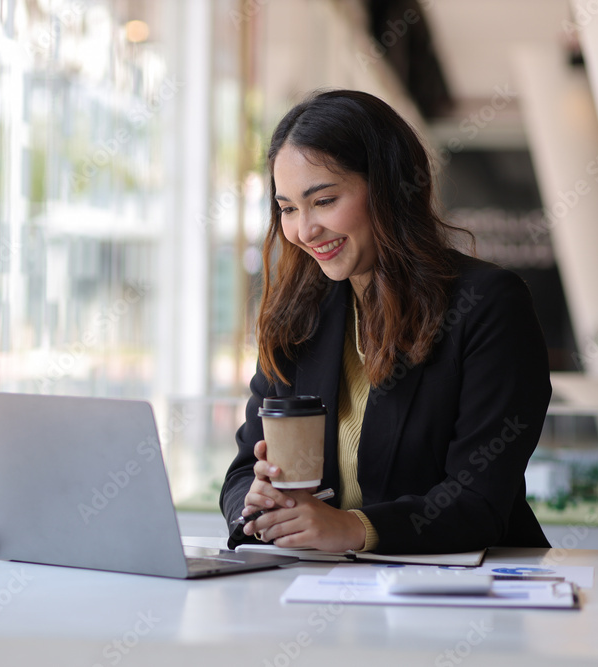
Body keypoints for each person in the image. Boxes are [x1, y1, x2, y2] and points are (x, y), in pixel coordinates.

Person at [219, 90, 552, 555]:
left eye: (325, 200)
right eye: (288, 208)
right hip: (326, 588)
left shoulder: (487, 305)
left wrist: (354, 528)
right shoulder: (299, 314)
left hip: (467, 595)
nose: (304, 230)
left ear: (391, 186)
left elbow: (479, 501)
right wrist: (254, 507)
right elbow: (239, 474)